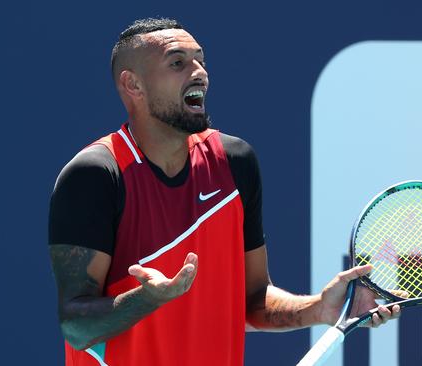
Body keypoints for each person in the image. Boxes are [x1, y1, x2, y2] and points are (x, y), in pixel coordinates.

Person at [48, 17, 400, 366]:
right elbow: (76, 327)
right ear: (133, 85)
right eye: (177, 63)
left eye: (201, 60)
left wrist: (318, 309)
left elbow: (251, 300)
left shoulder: (233, 162)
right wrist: (147, 299)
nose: (199, 72)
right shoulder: (96, 174)